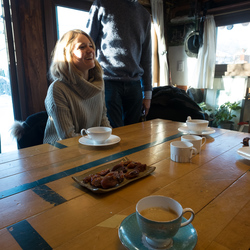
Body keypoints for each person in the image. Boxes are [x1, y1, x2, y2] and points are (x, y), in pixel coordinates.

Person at [86, 0, 152, 128]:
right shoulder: (101, 4)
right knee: (113, 132)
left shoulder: (144, 15)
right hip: (108, 82)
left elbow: (146, 56)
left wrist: (147, 94)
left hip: (135, 86)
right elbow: (88, 44)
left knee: (134, 134)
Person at [43, 29, 110, 144]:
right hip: (61, 152)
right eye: (82, 47)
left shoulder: (98, 83)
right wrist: (99, 141)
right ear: (66, 54)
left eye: (91, 45)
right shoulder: (57, 89)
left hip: (94, 146)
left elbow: (103, 119)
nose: (90, 50)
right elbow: (68, 137)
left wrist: (108, 139)